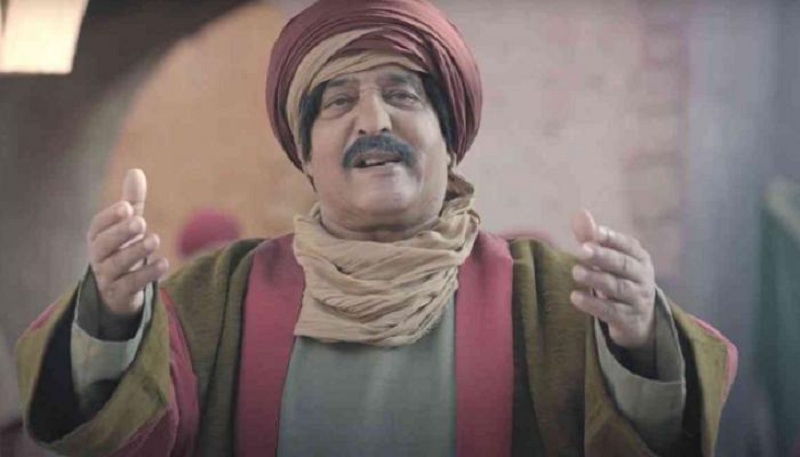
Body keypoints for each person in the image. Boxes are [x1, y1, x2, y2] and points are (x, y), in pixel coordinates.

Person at [15, 0, 737, 455]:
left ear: (450, 138)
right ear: (305, 154)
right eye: (337, 102)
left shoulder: (550, 295)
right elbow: (127, 439)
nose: (373, 121)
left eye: (402, 94)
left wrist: (638, 336)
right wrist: (114, 313)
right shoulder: (215, 296)